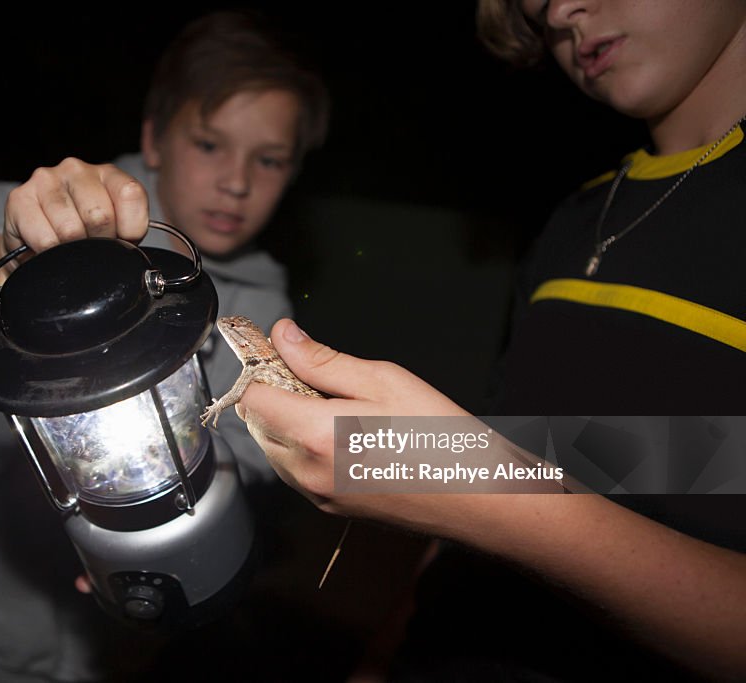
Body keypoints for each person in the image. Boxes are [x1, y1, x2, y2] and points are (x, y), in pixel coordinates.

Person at [231, 1, 746, 681]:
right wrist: (382, 654)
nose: (561, 11)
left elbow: (498, 484)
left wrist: (487, 488)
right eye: (534, 5)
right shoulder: (574, 217)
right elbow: (540, 452)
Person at [0, 10, 328, 682]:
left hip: (136, 643)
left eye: (270, 158)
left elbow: (251, 474)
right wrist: (9, 263)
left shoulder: (262, 311)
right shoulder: (45, 214)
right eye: (209, 143)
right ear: (154, 137)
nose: (237, 181)